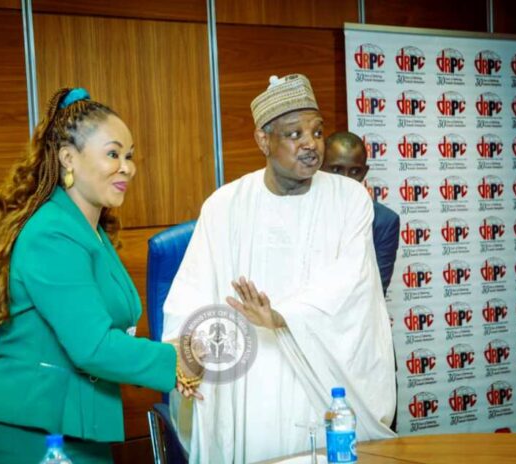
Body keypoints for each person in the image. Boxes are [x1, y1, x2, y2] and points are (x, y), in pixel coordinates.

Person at [162, 75, 396, 464]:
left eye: (317, 131)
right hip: (248, 376)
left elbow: (352, 282)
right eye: (294, 133)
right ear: (262, 140)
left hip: (324, 366)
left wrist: (282, 315)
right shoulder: (225, 206)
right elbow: (194, 290)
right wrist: (188, 354)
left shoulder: (350, 198)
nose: (311, 144)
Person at [0, 87, 199, 463]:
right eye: (113, 153)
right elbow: (93, 347)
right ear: (68, 158)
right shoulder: (52, 234)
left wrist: (168, 362)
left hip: (74, 420)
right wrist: (177, 361)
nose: (127, 167)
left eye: (130, 155)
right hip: (22, 431)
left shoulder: (91, 231)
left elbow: (110, 337)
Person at [321, 131, 400, 294]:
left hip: (358, 316)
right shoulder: (304, 211)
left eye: (355, 171)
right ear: (320, 166)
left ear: (364, 172)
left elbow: (377, 288)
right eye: (336, 169)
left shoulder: (384, 220)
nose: (346, 179)